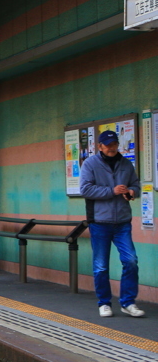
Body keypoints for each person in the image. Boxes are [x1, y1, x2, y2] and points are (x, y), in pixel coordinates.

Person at [79, 130, 144, 318]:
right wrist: (112, 191)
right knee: (101, 265)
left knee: (131, 260)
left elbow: (136, 185)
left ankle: (128, 302)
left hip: (122, 222)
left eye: (114, 144)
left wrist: (132, 192)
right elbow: (85, 189)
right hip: (100, 222)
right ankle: (104, 303)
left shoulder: (126, 164)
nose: (112, 148)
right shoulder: (90, 164)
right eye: (108, 145)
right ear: (100, 146)